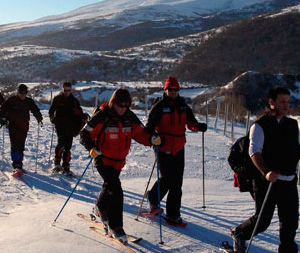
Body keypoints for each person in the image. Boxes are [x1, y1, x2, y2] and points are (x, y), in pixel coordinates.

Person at [230, 86, 300, 253]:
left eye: (288, 102)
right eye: (282, 102)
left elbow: (298, 148)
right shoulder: (259, 125)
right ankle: (239, 234)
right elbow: (254, 152)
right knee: (263, 221)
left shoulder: (292, 124)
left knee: (290, 223)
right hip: (267, 182)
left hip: (288, 181)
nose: (286, 105)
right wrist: (266, 172)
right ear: (271, 102)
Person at [80, 88, 161, 243]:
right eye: (120, 105)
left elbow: (140, 133)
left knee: (109, 186)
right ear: (113, 102)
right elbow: (84, 134)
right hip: (102, 159)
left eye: (126, 105)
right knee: (116, 190)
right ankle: (116, 226)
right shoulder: (103, 116)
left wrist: (151, 139)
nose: (123, 108)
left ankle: (100, 207)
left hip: (119, 161)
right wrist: (91, 147)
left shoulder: (129, 117)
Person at [144, 76, 208, 226]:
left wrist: (199, 127)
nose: (173, 92)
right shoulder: (159, 106)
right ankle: (153, 199)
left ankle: (173, 214)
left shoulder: (183, 106)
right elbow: (149, 128)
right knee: (167, 179)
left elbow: (191, 123)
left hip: (179, 148)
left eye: (176, 90)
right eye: (170, 89)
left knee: (177, 183)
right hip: (162, 147)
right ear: (165, 90)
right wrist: (157, 138)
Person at [0, 84, 43, 176]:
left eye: (24, 93)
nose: (23, 95)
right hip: (13, 126)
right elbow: (3, 108)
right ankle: (16, 165)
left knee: (21, 145)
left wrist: (39, 118)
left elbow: (35, 110)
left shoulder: (28, 101)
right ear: (18, 92)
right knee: (15, 145)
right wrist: (3, 118)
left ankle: (19, 164)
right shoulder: (12, 100)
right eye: (21, 93)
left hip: (24, 126)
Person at [48, 81, 85, 175]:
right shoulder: (57, 99)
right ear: (62, 89)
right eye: (65, 90)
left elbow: (80, 112)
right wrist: (53, 119)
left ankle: (66, 166)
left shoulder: (74, 101)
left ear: (71, 89)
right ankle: (57, 164)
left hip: (71, 127)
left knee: (68, 147)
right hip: (60, 125)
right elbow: (51, 111)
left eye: (69, 90)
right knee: (61, 142)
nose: (67, 92)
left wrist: (81, 115)